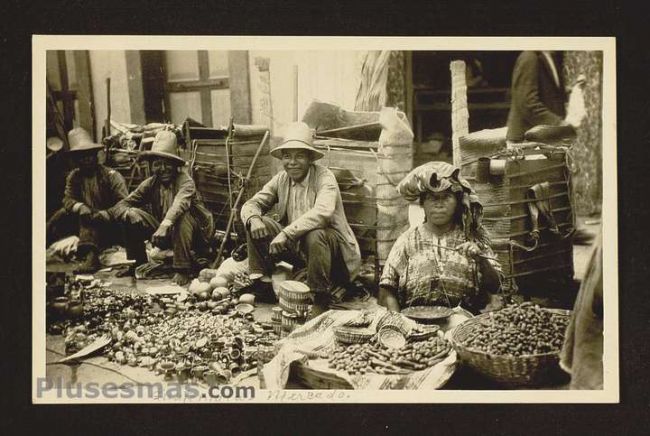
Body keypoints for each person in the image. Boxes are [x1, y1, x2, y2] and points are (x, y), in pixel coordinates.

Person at [240, 122, 361, 317]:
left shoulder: (324, 177)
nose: (292, 162)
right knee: (256, 221)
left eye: (300, 156)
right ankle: (262, 284)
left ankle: (319, 298)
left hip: (335, 256)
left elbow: (323, 212)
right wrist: (253, 218)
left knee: (315, 233)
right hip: (302, 252)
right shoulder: (281, 179)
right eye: (287, 156)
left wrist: (286, 233)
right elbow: (251, 204)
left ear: (310, 158)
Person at [378, 162, 502, 314]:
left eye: (446, 197)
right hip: (413, 322)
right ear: (422, 204)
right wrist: (399, 322)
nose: (439, 205)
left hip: (463, 323)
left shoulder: (472, 239)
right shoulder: (407, 240)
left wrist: (480, 259)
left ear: (457, 203)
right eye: (432, 198)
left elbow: (496, 286)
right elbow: (387, 289)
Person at [108, 130, 214, 285]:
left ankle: (182, 268)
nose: (163, 168)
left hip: (197, 236)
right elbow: (121, 205)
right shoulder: (151, 183)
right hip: (167, 234)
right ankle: (137, 262)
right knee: (130, 214)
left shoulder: (186, 181)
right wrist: (129, 213)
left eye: (168, 164)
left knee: (181, 215)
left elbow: (180, 204)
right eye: (158, 164)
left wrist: (165, 225)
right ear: (152, 166)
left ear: (175, 166)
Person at [46, 128, 130, 273]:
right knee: (60, 215)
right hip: (84, 223)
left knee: (90, 219)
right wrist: (79, 207)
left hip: (112, 224)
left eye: (89, 155)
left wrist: (105, 214)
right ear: (76, 160)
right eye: (81, 156)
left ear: (95, 156)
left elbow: (125, 203)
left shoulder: (111, 176)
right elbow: (67, 199)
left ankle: (91, 258)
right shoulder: (74, 177)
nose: (86, 160)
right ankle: (40, 244)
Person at [506, 51, 569, 143]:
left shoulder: (551, 56)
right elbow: (527, 102)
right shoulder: (529, 57)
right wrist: (558, 123)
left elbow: (549, 93)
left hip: (544, 136)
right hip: (526, 138)